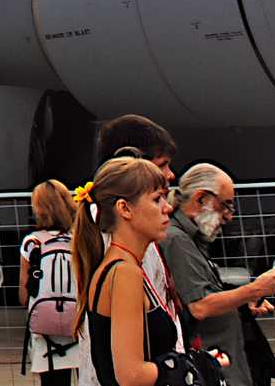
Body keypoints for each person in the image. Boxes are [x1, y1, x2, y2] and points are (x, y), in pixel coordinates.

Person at [159, 163, 275, 386]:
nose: (228, 217)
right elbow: (200, 306)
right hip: (210, 365)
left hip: (218, 362)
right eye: (224, 206)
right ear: (200, 199)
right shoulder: (177, 240)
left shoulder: (189, 239)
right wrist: (255, 289)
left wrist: (242, 302)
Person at [78, 116, 184, 386]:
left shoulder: (121, 264)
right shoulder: (124, 272)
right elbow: (130, 375)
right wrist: (189, 366)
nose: (167, 207)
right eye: (156, 198)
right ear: (124, 208)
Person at [19, 180, 82, 386]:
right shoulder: (79, 239)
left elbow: (23, 292)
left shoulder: (32, 242)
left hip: (45, 331)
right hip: (79, 325)